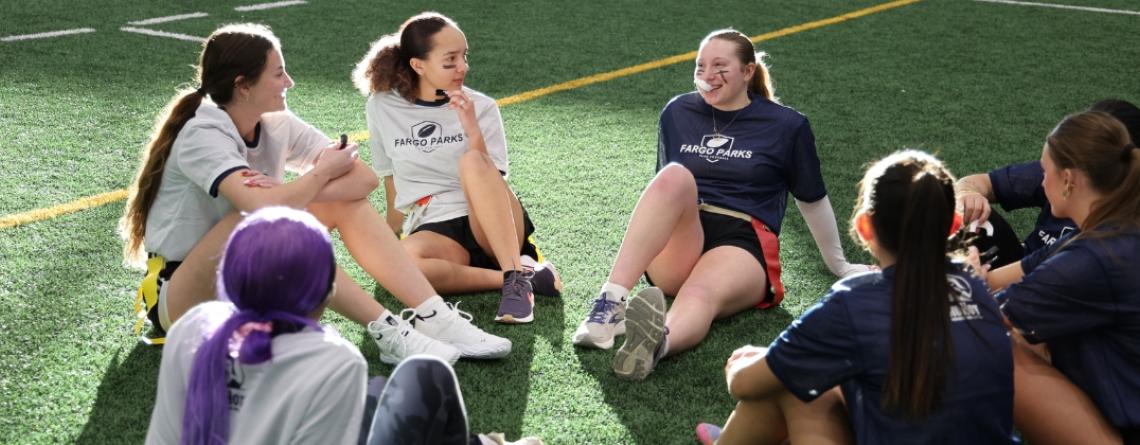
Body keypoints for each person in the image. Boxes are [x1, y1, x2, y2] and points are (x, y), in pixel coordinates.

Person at [119, 23, 510, 363]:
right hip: (181, 299)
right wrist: (317, 175)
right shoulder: (202, 131)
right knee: (259, 221)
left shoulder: (275, 121)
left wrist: (291, 191)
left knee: (332, 203)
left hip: (243, 280)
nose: (289, 82)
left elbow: (363, 181)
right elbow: (257, 208)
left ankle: (432, 314)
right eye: (278, 74)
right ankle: (387, 330)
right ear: (243, 86)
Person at [570, 28, 871, 380]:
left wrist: (838, 264)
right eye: (700, 66)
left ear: (747, 71)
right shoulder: (677, 112)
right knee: (675, 176)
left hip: (743, 239)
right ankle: (607, 307)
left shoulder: (787, 124)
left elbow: (811, 198)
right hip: (686, 233)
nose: (707, 75)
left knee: (700, 292)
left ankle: (654, 346)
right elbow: (663, 194)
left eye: (719, 66)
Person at [146, 207, 541, 445]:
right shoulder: (332, 361)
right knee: (425, 376)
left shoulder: (193, 327)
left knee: (374, 394)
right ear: (327, 288)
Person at [698, 150, 1013, 444]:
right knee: (813, 374)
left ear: (864, 227)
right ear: (953, 225)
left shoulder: (853, 302)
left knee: (791, 384)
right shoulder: (975, 285)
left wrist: (748, 360)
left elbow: (744, 384)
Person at [353, 12, 561, 325]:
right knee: (402, 265)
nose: (462, 67)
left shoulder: (483, 106)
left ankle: (515, 281)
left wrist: (472, 129)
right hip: (436, 225)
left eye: (464, 56)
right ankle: (522, 275)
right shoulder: (382, 106)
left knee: (472, 162)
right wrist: (391, 237)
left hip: (492, 222)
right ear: (418, 65)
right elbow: (391, 180)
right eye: (450, 60)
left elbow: (490, 179)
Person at [969, 110, 1140, 445]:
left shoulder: (1093, 259)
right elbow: (1009, 275)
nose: (1040, 180)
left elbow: (982, 318)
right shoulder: (1111, 231)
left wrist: (961, 284)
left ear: (1068, 180)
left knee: (990, 341)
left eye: (1045, 171)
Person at [955, 99, 1139, 267]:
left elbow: (1029, 287)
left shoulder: (1102, 247)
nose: (1042, 179)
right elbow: (1022, 273)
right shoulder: (1059, 172)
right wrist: (968, 195)